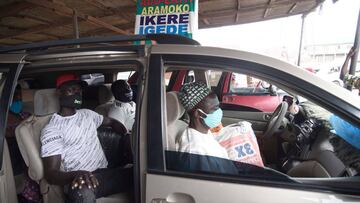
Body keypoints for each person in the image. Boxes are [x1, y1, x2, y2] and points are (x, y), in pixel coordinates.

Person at [40, 74, 132, 203]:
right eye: (71, 90)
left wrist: (126, 134)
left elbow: (111, 122)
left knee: (140, 172)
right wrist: (76, 174)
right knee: (82, 192)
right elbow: (51, 174)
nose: (77, 94)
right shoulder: (52, 129)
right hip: (80, 181)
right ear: (59, 93)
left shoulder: (87, 114)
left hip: (105, 174)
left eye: (79, 90)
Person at [176, 82, 229, 159]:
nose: (219, 111)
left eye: (218, 107)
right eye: (215, 108)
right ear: (198, 113)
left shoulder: (204, 131)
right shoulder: (194, 152)